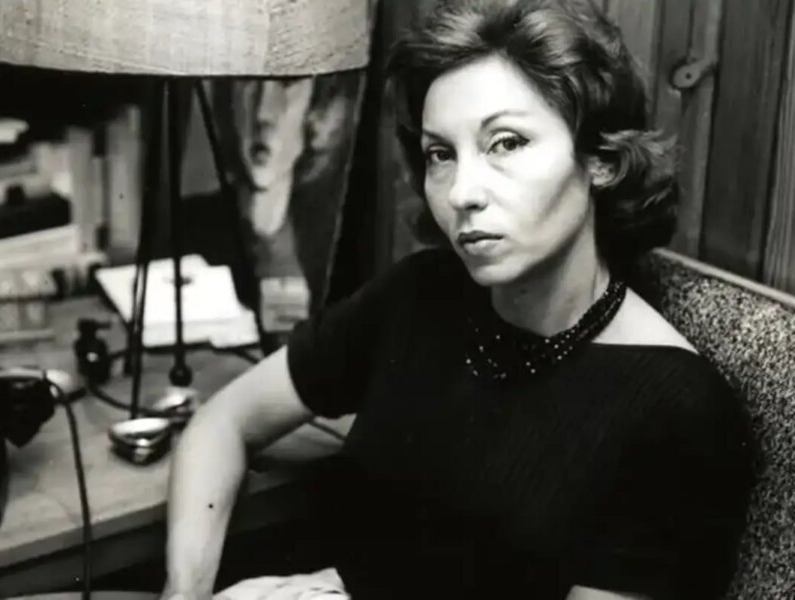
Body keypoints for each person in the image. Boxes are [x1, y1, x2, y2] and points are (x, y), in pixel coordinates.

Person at [160, 0, 756, 598]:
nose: (462, 192)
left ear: (600, 160)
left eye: (506, 143)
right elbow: (222, 421)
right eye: (440, 154)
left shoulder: (677, 412)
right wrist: (186, 592)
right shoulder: (421, 293)